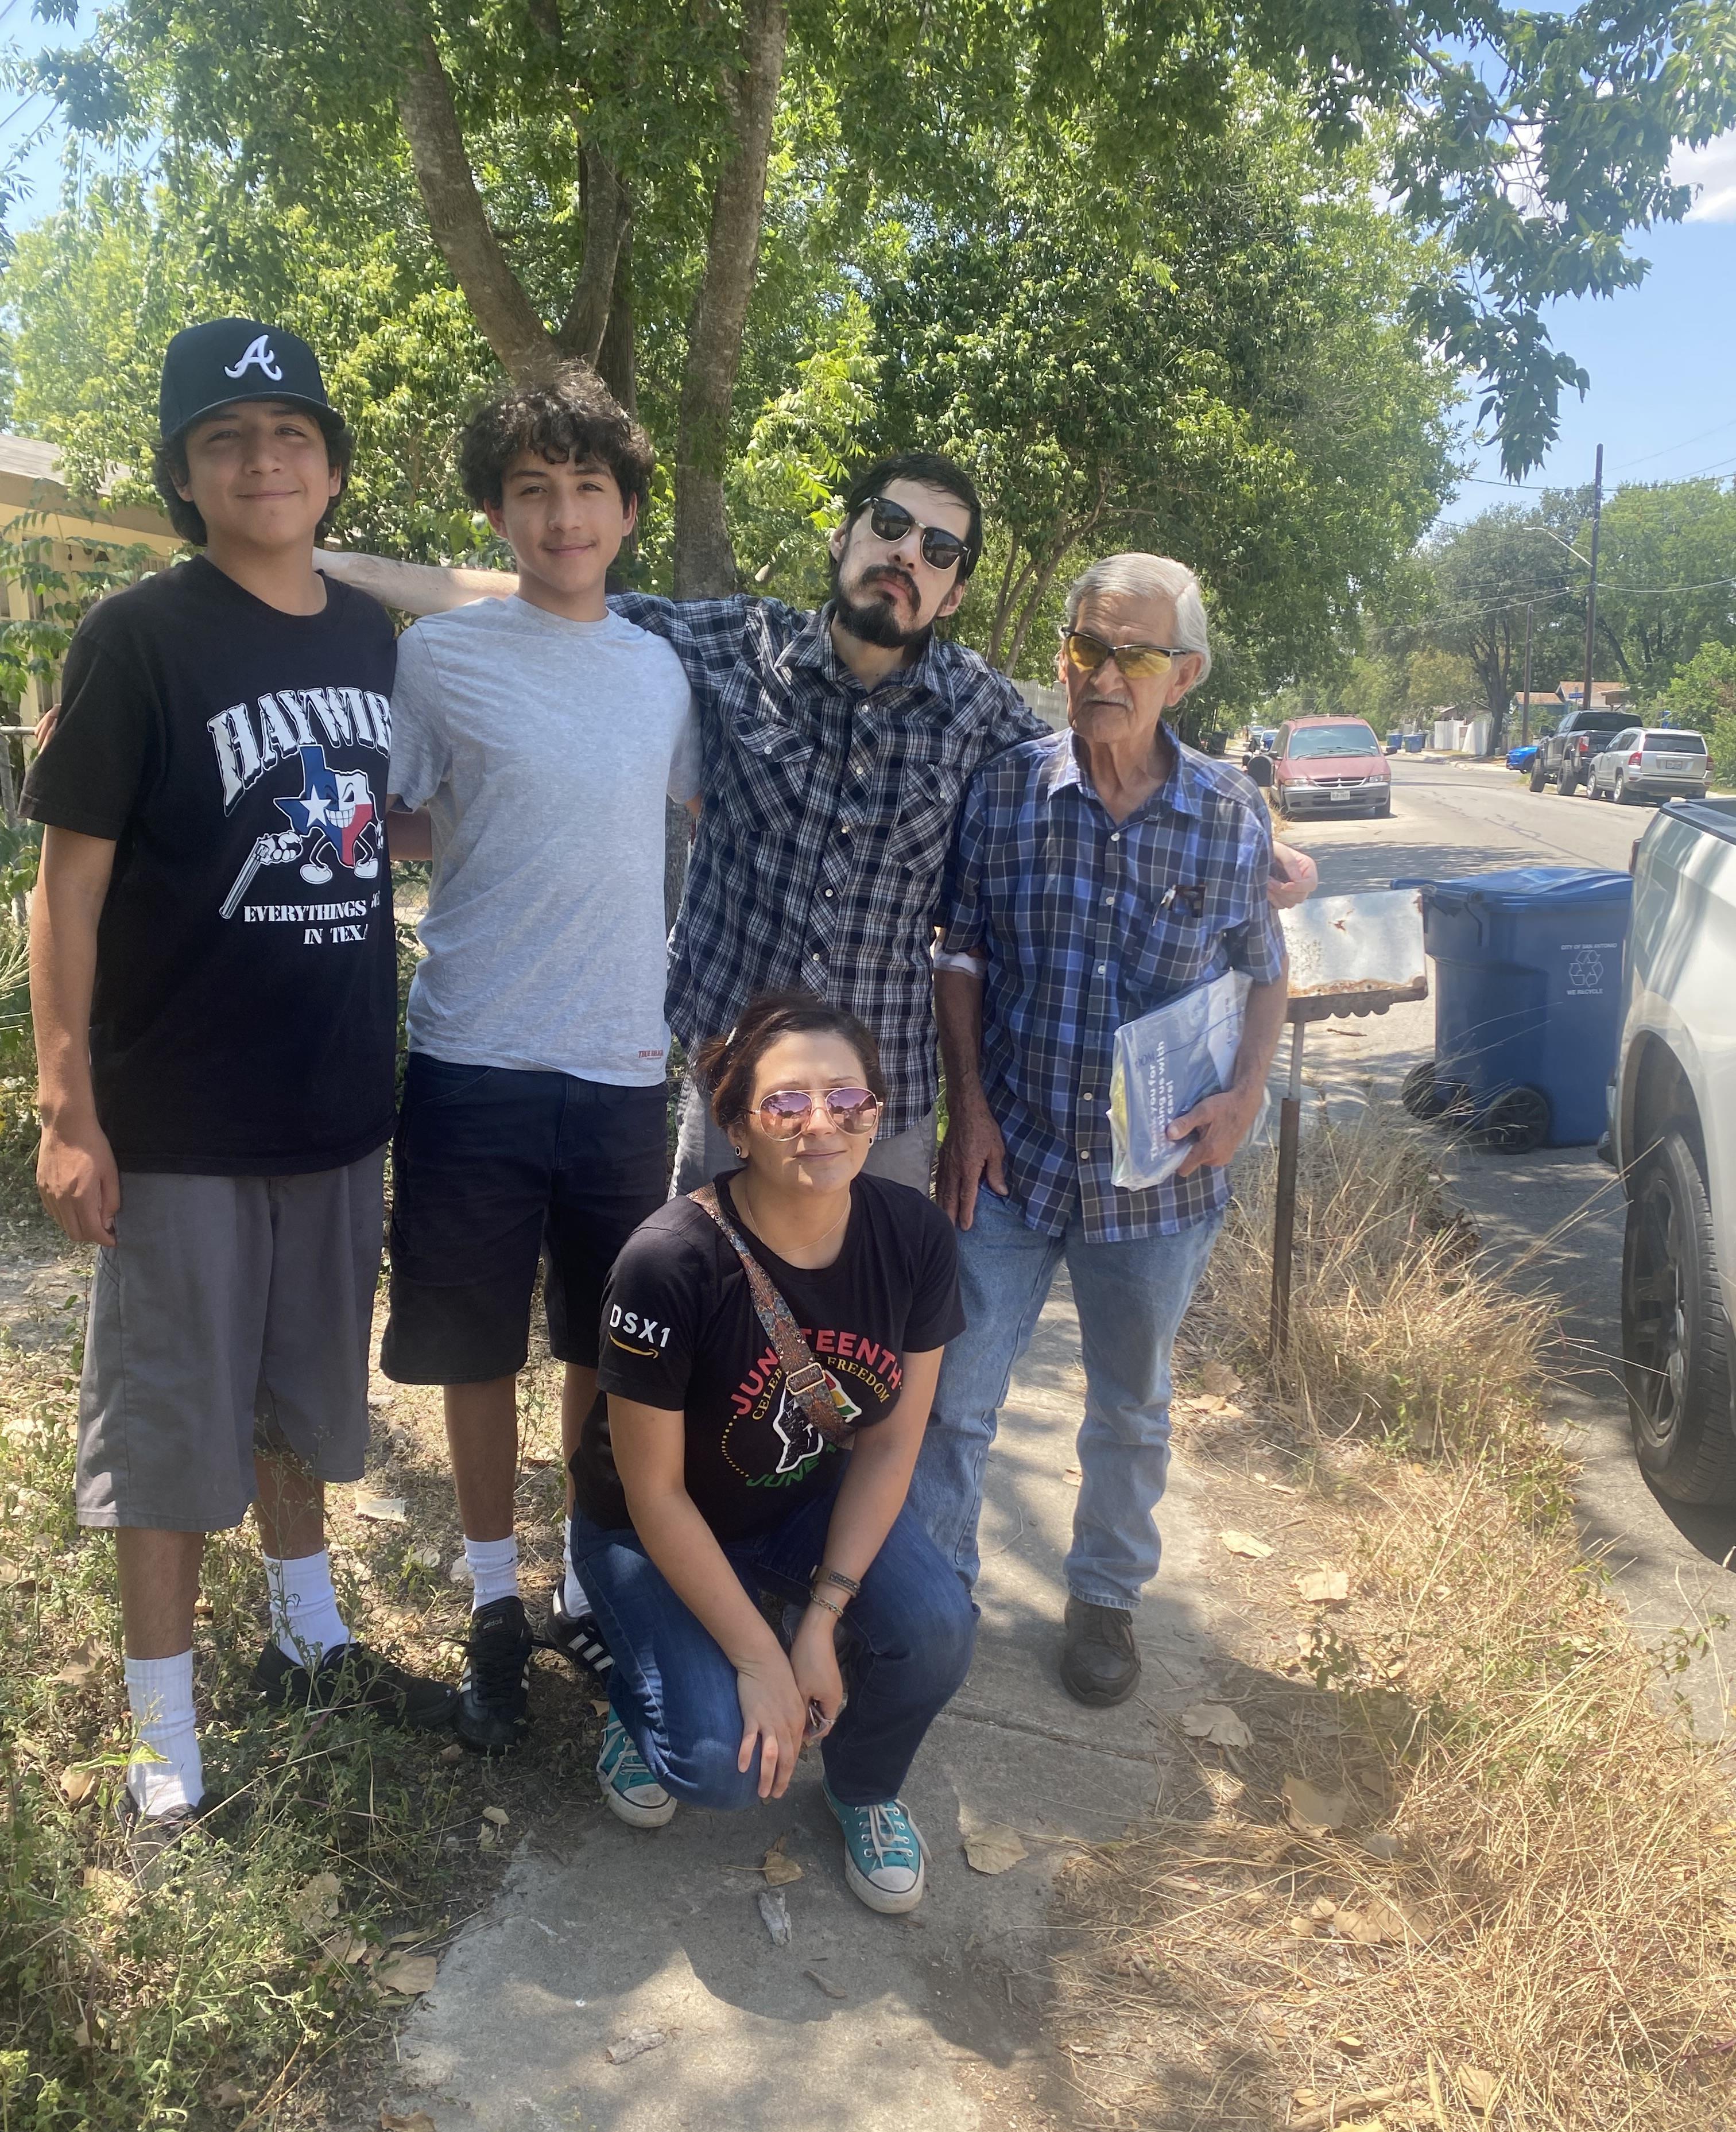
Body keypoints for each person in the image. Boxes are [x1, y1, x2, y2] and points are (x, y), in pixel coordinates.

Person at [318, 458, 1320, 1203]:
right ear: (842, 539)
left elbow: (1100, 764)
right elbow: (553, 601)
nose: (907, 555)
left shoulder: (980, 712)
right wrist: (311, 560)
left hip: (876, 1098)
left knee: (855, 1367)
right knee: (704, 1347)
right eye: (890, 525)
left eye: (939, 551)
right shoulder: (727, 643)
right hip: (730, 1079)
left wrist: (1254, 842)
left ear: (954, 593)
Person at [24, 317, 455, 1871]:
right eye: (225, 439)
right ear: (185, 474)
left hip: (336, 1104)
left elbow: (369, 829)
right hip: (181, 1115)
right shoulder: (139, 637)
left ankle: (310, 1628)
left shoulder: (368, 639)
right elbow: (62, 891)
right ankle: (162, 1732)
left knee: (296, 1399)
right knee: (167, 1433)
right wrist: (68, 1109)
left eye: (289, 433)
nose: (262, 459)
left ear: (331, 467)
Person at [378, 365, 699, 1754]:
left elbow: (671, 819)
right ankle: (490, 1607)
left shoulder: (665, 667)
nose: (561, 515)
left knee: (599, 1344)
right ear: (498, 515)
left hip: (627, 1067)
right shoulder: (439, 658)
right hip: (472, 1056)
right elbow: (397, 827)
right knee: (472, 1351)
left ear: (626, 511)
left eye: (586, 489)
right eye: (531, 491)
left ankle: (580, 1583)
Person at [910, 553, 1288, 1708]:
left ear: (1185, 676)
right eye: (1086, 648)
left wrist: (1245, 1097)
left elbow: (1262, 968)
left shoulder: (1228, 814)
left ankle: (1107, 1600)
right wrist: (965, 1108)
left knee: (1129, 1405)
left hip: (1158, 1182)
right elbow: (961, 952)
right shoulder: (1006, 792)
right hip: (1011, 1158)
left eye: (1132, 655)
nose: (1102, 675)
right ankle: (934, 1603)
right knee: (957, 1400)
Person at [567, 993, 974, 1915]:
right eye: (786, 1104)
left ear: (878, 1112)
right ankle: (637, 1691)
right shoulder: (667, 1263)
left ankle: (865, 1788)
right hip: (650, 1529)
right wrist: (761, 1659)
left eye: (846, 1098)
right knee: (717, 1768)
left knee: (939, 1628)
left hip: (799, 1506)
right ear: (738, 1127)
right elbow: (654, 1492)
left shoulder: (914, 1239)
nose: (821, 1124)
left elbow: (892, 1441)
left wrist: (820, 1623)